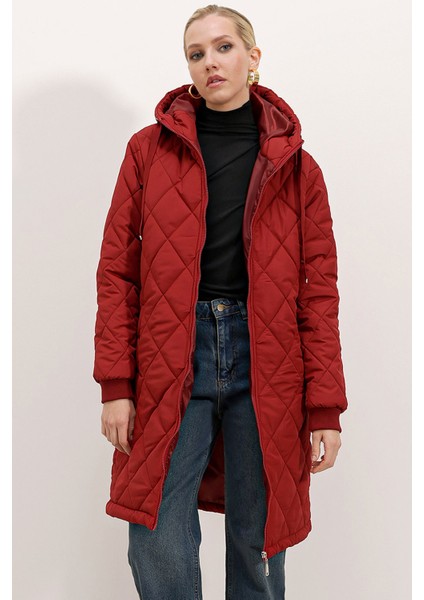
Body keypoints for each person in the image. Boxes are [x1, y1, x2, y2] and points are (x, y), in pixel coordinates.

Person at [93, 5, 348, 599]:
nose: (210, 62)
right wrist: (116, 384)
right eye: (196, 53)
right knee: (155, 527)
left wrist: (325, 408)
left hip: (268, 361)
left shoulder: (299, 169)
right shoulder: (147, 152)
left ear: (253, 58)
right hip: (170, 355)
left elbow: (319, 295)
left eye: (223, 47)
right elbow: (116, 272)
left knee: (258, 537)